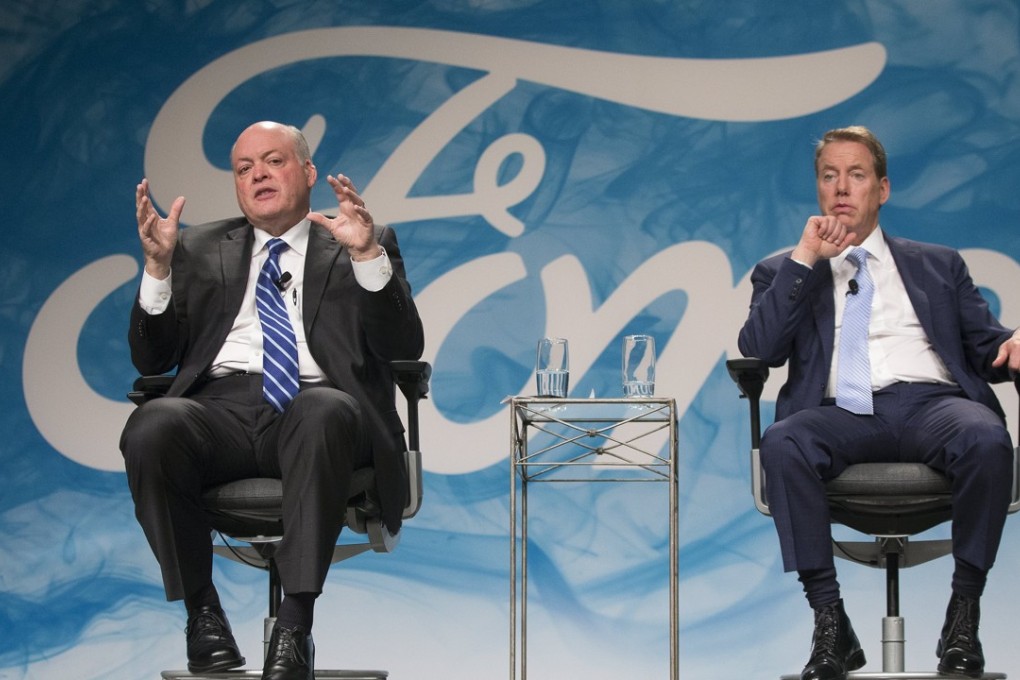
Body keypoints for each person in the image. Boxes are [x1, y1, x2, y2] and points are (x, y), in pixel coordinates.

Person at [121, 121, 424, 680]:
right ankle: (203, 617)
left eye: (273, 161)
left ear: (307, 173)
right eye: (243, 167)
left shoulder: (360, 239)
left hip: (322, 409)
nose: (257, 173)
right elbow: (151, 361)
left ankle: (294, 627)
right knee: (152, 424)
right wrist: (158, 269)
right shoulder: (196, 246)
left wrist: (367, 256)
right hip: (221, 413)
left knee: (322, 410)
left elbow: (404, 347)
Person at [738, 125, 1020, 680]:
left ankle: (964, 616)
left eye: (857, 174)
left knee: (986, 434)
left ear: (882, 189)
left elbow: (988, 345)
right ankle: (830, 622)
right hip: (840, 413)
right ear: (818, 190)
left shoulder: (938, 264)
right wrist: (806, 258)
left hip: (931, 405)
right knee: (783, 440)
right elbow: (760, 350)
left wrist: (1013, 345)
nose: (842, 187)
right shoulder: (783, 269)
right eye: (829, 176)